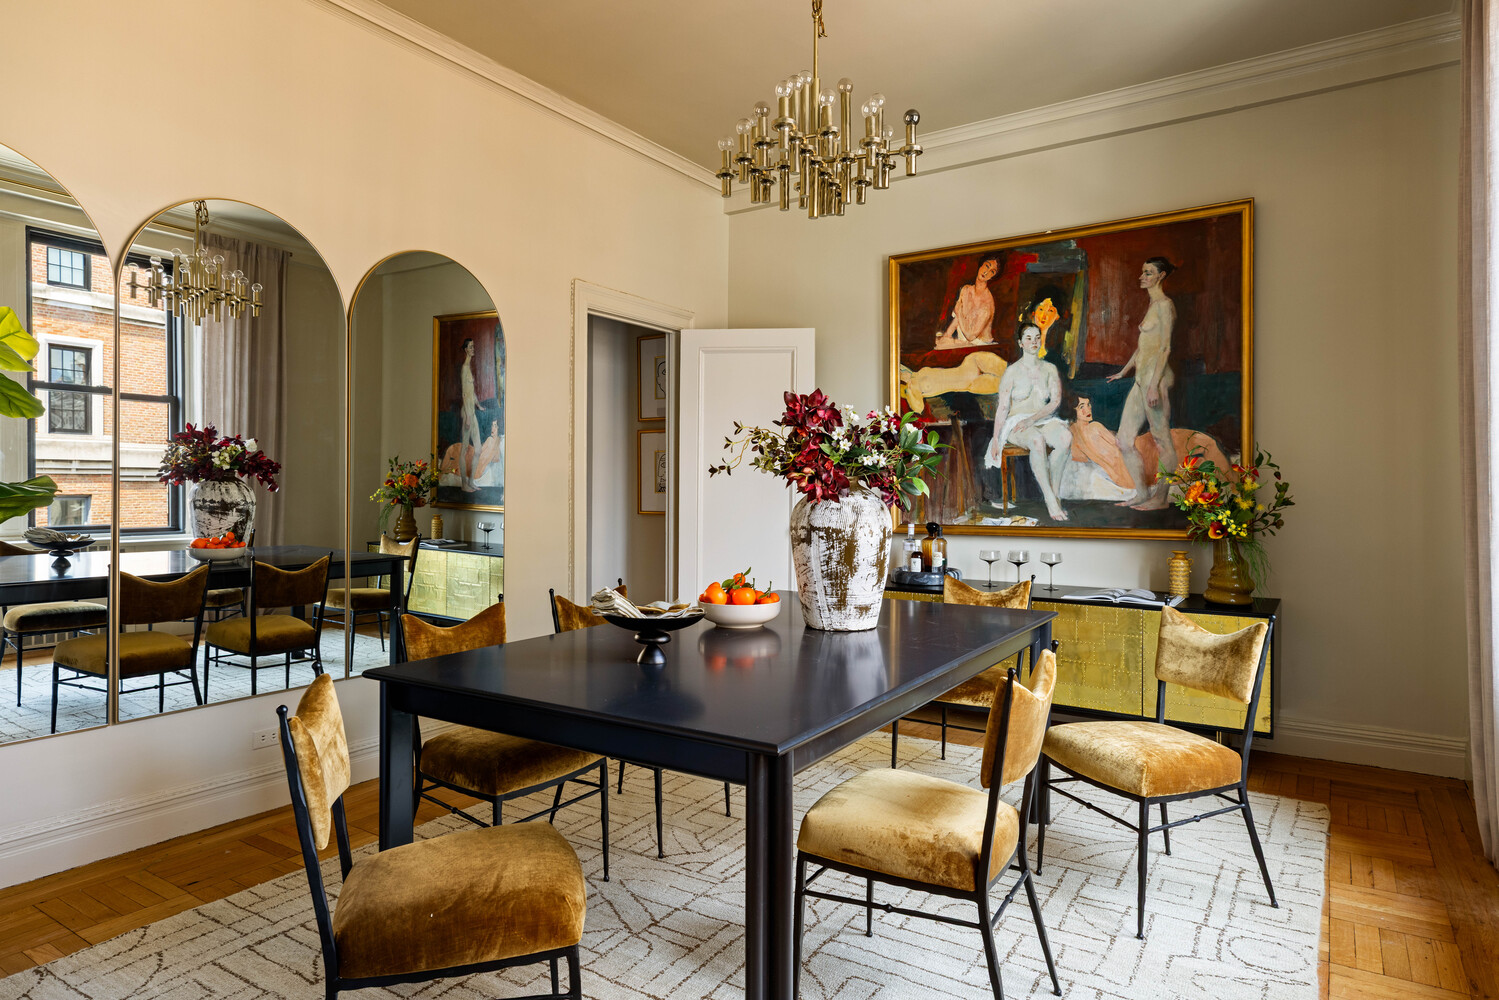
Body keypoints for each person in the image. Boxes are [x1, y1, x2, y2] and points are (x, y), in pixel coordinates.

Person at [1107, 256, 1178, 509]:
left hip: (1155, 381)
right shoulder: (1152, 304)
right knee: (1124, 440)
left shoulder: (1164, 306)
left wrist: (1153, 385)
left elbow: (1165, 349)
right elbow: (1143, 347)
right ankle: (1142, 493)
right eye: (1142, 271)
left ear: (1160, 276)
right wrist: (1123, 372)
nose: (1142, 276)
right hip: (1140, 379)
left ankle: (1161, 498)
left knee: (1161, 440)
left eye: (1148, 273)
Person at [985, 325, 1071, 521]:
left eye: (1037, 337)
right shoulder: (1012, 372)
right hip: (1016, 424)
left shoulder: (1050, 369)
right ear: (1020, 343)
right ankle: (1050, 500)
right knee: (1037, 440)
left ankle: (1055, 494)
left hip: (1042, 419)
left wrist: (1033, 419)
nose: (1034, 341)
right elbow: (1003, 409)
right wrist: (996, 438)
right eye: (1029, 338)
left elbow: (1056, 402)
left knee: (1066, 437)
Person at [933, 258, 999, 349]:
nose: (986, 272)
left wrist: (959, 312)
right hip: (964, 341)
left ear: (992, 277)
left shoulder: (987, 302)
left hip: (979, 344)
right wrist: (947, 336)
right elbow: (956, 320)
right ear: (980, 266)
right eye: (986, 266)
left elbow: (971, 336)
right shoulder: (966, 289)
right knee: (938, 342)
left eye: (992, 272)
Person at [457, 338, 482, 491]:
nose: (473, 349)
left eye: (473, 346)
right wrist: (467, 415)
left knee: (478, 449)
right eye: (471, 347)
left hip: (472, 412)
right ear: (466, 349)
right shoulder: (465, 368)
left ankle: (471, 481)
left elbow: (471, 393)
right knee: (465, 448)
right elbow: (465, 396)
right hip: (467, 412)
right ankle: (463, 484)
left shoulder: (469, 367)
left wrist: (478, 405)